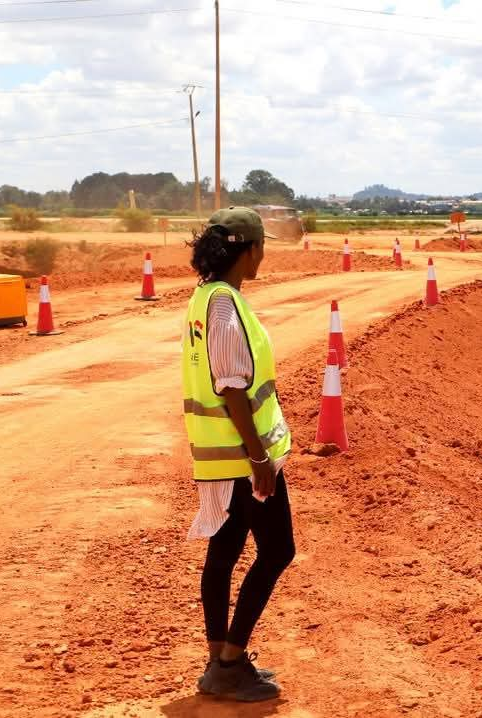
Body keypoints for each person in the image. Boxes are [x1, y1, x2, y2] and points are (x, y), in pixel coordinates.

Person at [182, 207, 295, 703]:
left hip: (219, 457)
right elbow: (231, 387)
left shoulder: (204, 297)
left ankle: (218, 661)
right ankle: (228, 662)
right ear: (247, 249)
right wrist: (258, 459)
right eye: (260, 246)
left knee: (224, 554)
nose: (263, 255)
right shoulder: (225, 305)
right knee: (277, 551)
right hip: (239, 459)